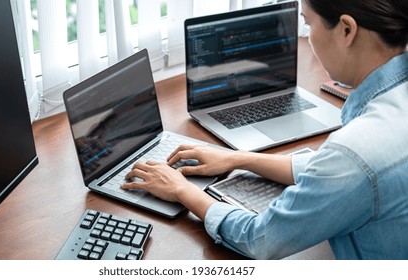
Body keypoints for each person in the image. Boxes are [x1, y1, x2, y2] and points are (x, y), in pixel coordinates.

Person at [122, 0, 408, 259]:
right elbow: (337, 170)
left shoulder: (353, 155)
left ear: (346, 30)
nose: (308, 38)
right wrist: (238, 158)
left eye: (308, 23)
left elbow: (259, 238)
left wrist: (182, 190)